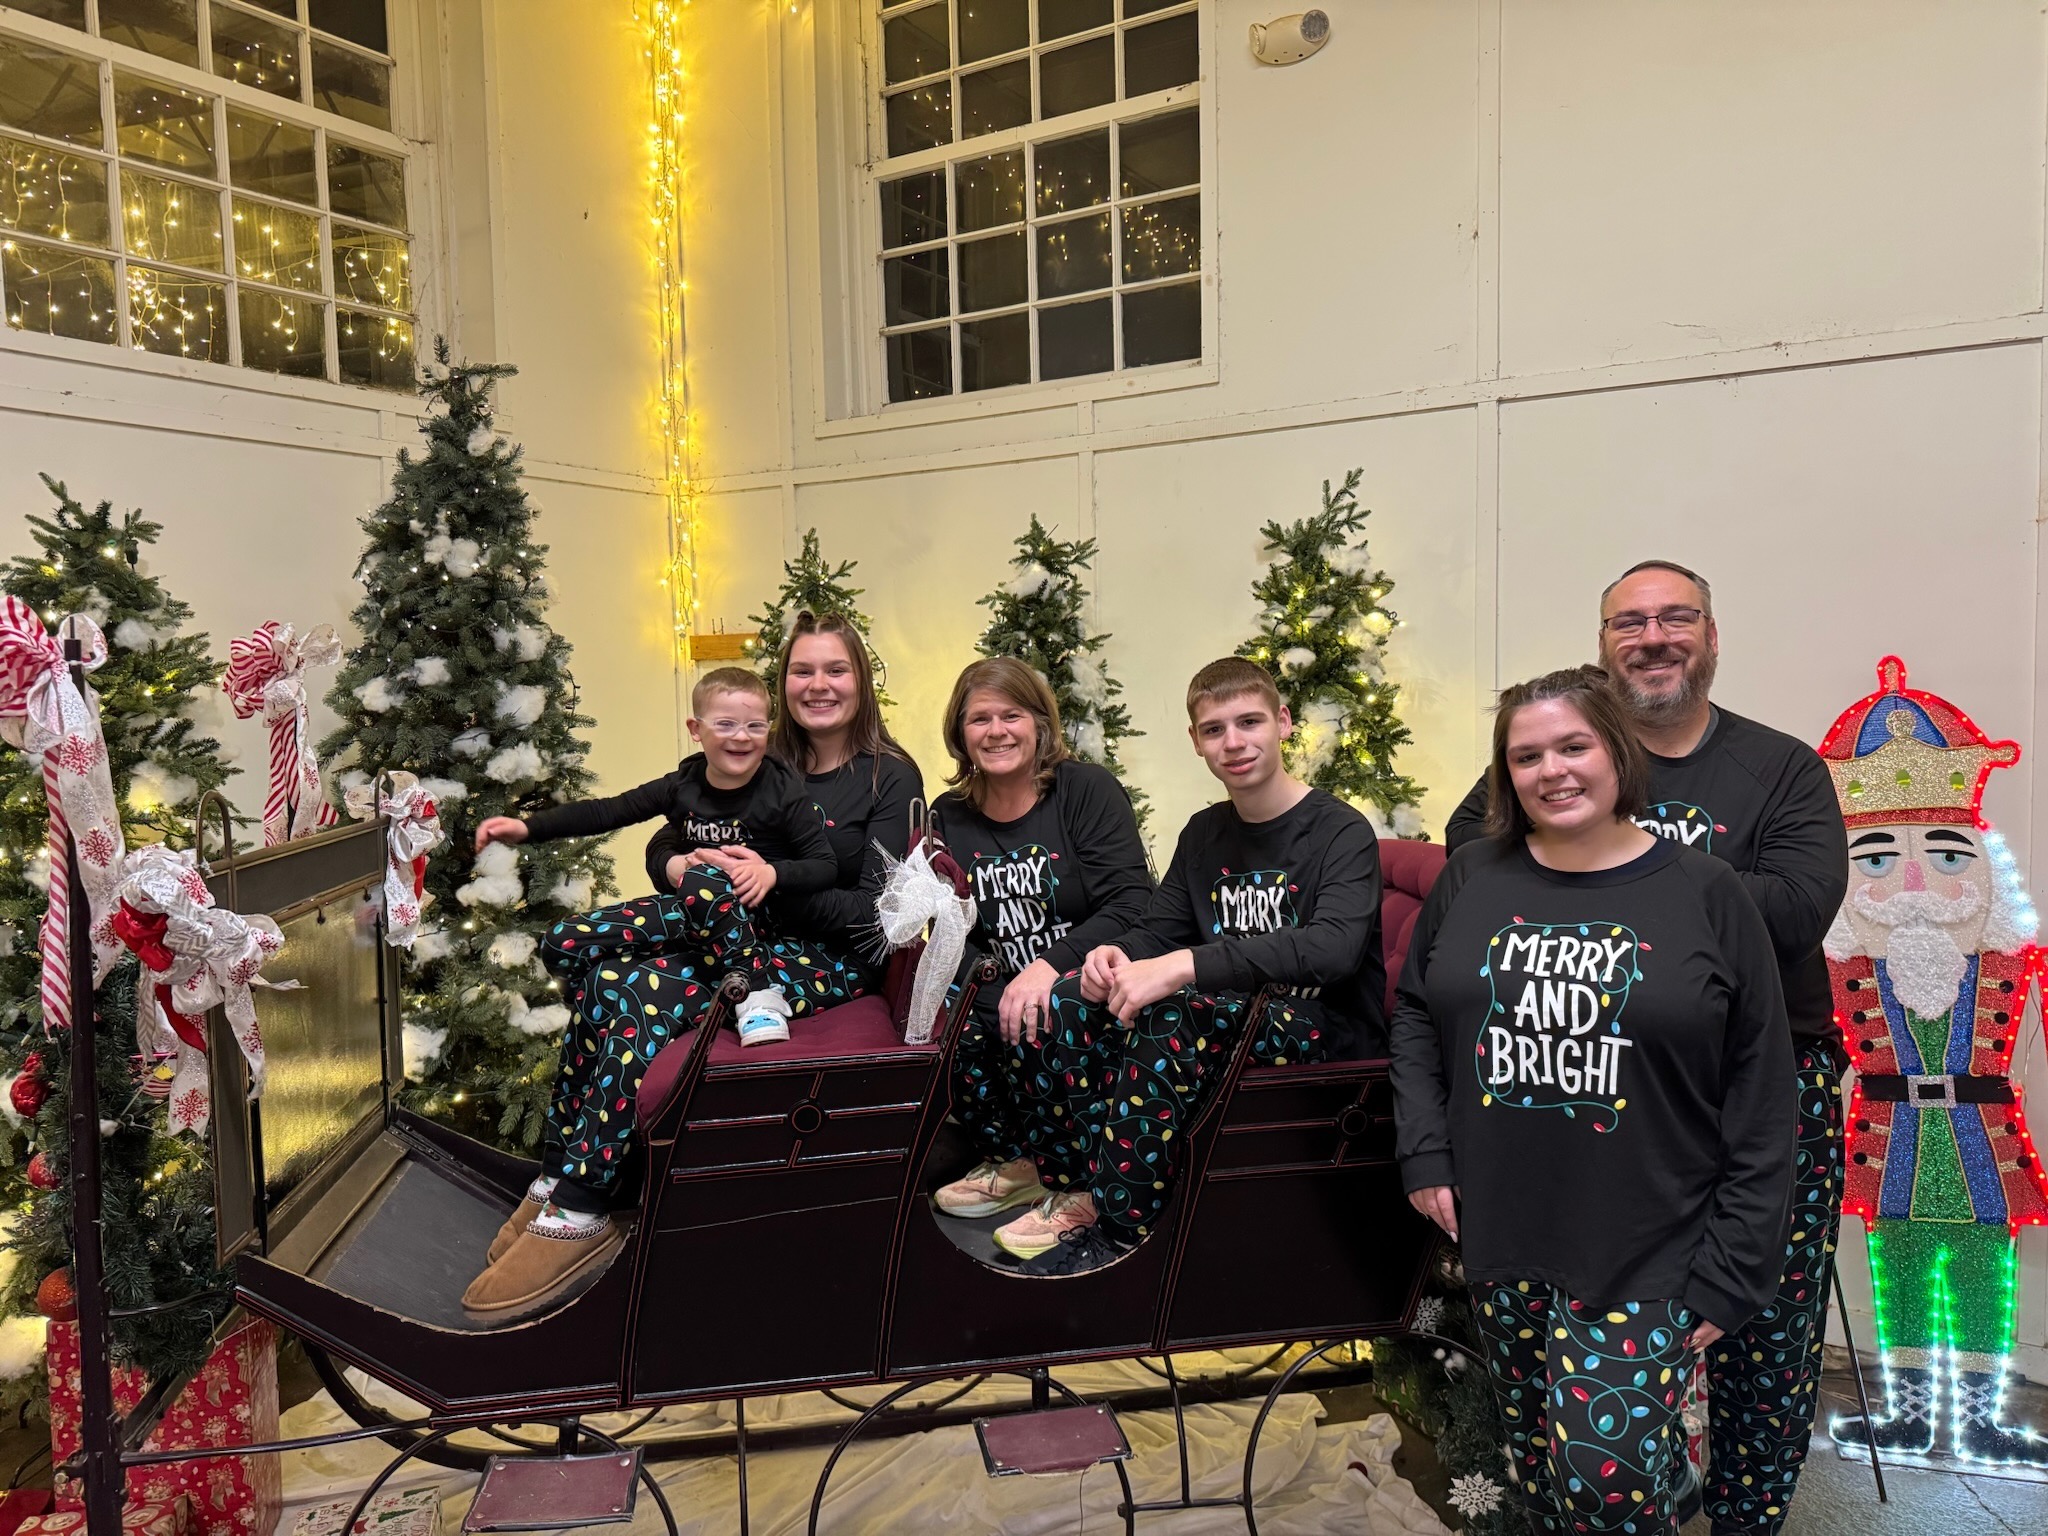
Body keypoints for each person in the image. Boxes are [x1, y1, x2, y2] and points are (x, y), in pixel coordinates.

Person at [1443, 560, 1847, 1536]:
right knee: (1595, 1355)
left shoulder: (1778, 767)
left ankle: (1744, 1521)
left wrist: (1629, 883)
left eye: (1675, 618)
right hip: (1587, 1098)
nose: (1652, 636)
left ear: (1710, 636)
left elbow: (1795, 909)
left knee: (1762, 1337)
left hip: (1766, 1086)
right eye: (1627, 622)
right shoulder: (1556, 757)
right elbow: (1472, 861)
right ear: (1599, 647)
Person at [459, 665, 847, 1317]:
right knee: (568, 943)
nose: (742, 737)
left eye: (755, 725)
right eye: (726, 724)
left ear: (770, 730)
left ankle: (751, 996)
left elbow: (827, 865)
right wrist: (526, 829)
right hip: (694, 919)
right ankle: (565, 1169)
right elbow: (610, 812)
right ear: (696, 730)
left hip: (759, 925)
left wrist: (770, 873)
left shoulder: (784, 791)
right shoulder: (685, 787)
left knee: (676, 919)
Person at [1022, 657, 1387, 1276]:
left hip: (1326, 1031)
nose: (1234, 742)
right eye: (1214, 729)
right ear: (1196, 742)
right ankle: (1085, 1187)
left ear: (1284, 723)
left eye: (1249, 722)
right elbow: (1157, 931)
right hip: (1224, 1018)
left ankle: (1123, 1234)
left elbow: (1331, 951)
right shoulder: (1204, 834)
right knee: (1067, 999)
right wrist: (1114, 957)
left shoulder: (1340, 831)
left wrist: (1187, 966)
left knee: (1175, 1010)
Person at [926, 657, 1152, 1258]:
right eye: (980, 719)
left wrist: (1049, 965)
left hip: (1089, 970)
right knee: (949, 1007)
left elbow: (1133, 902)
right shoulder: (947, 815)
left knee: (1058, 1003)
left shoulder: (1085, 789)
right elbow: (956, 922)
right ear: (961, 732)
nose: (996, 730)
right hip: (1004, 977)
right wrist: (980, 972)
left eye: (1011, 714)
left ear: (1039, 722)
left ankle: (1077, 1183)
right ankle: (1019, 1163)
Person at [646, 610, 923, 988]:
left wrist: (765, 881)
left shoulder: (891, 778)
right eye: (803, 671)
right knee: (603, 983)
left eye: (837, 671)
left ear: (862, 681)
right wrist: (675, 865)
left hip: (836, 959)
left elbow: (877, 913)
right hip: (728, 938)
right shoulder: (757, 757)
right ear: (785, 682)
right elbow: (671, 837)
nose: (818, 685)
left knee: (644, 987)